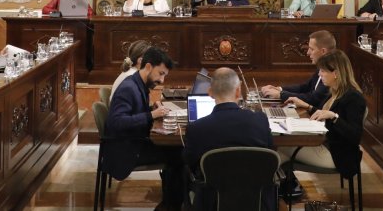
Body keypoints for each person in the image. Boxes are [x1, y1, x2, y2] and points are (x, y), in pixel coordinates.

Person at [183, 68, 276, 211]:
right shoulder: (260, 120)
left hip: (212, 202)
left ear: (210, 93)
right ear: (238, 91)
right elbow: (270, 154)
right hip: (258, 200)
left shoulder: (197, 128)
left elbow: (191, 163)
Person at [104, 47, 184, 211]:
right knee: (181, 156)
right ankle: (171, 206)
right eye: (160, 73)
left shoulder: (137, 83)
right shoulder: (129, 88)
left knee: (177, 152)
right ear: (148, 66)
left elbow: (134, 112)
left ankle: (170, 203)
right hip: (126, 150)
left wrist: (149, 109)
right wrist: (151, 115)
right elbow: (117, 122)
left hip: (134, 142)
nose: (162, 80)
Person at [279, 50, 365, 180]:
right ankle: (282, 189)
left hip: (337, 155)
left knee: (278, 148)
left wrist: (334, 117)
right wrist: (307, 106)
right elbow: (323, 114)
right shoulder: (333, 92)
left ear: (335, 73)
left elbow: (355, 135)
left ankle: (275, 191)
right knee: (276, 155)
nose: (319, 74)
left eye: (323, 71)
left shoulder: (354, 97)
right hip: (324, 145)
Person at [261, 30, 335, 108]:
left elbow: (313, 99)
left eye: (312, 49)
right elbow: (305, 87)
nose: (307, 53)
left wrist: (280, 95)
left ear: (323, 51)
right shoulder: (322, 67)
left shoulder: (331, 71)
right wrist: (279, 89)